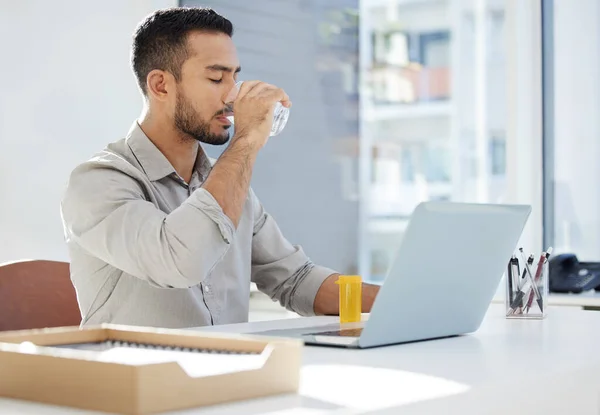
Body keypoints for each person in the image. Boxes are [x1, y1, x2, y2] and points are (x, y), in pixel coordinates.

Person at [60, 6, 380, 328]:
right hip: (141, 376)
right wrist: (248, 140)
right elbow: (179, 261)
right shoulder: (97, 183)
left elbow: (295, 279)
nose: (232, 96)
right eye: (216, 78)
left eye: (234, 77)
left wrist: (399, 302)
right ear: (161, 86)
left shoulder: (226, 181)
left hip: (229, 371)